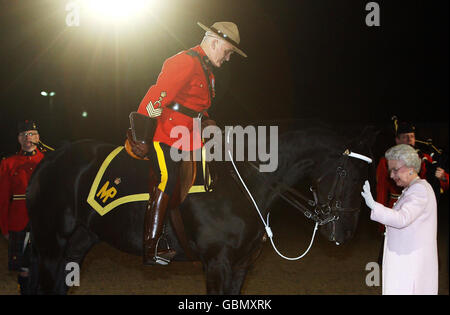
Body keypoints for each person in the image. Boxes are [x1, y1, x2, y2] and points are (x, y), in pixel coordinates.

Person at [128, 21, 247, 265]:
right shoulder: (185, 61)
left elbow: (194, 108)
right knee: (166, 179)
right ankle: (151, 245)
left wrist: (206, 121)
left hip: (191, 139)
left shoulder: (208, 71)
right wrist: (140, 136)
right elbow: (158, 96)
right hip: (166, 135)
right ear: (215, 42)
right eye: (228, 52)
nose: (228, 58)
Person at [362, 144, 438, 295]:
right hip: (407, 264)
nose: (391, 175)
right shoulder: (411, 189)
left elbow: (402, 219)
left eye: (395, 170)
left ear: (410, 167)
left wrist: (374, 205)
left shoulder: (419, 189)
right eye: (391, 170)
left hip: (411, 267)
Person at [0, 120, 48, 294]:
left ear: (38, 137)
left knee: (45, 266)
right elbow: (3, 198)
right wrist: (4, 227)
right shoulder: (8, 163)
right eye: (24, 135)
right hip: (18, 221)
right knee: (24, 269)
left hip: (44, 221)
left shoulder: (48, 160)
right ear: (18, 139)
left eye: (32, 134)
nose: (28, 137)